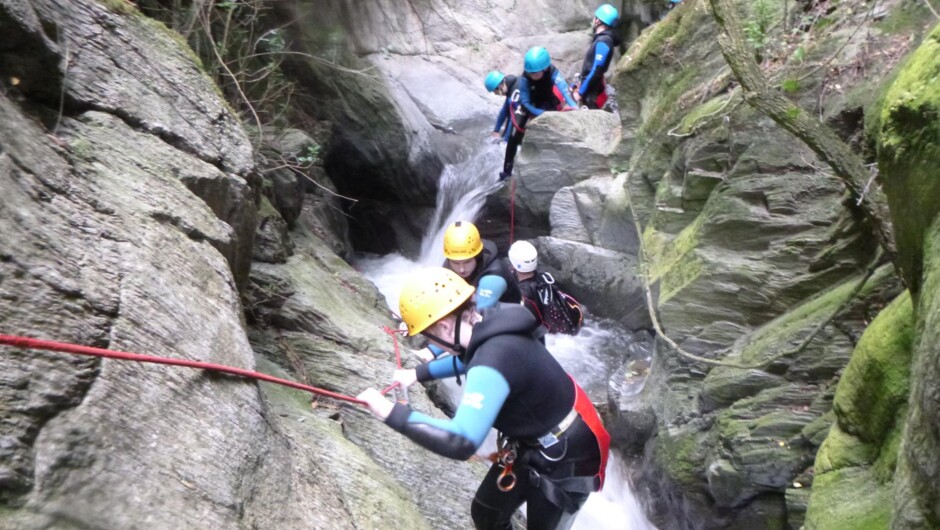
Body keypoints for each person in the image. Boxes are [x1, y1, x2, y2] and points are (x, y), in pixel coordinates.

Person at [357, 267, 610, 530]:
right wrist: (417, 374)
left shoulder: (494, 358)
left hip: (569, 453)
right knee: (486, 513)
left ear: (443, 326)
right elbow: (469, 359)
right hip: (541, 437)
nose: (431, 345)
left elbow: (460, 440)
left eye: (427, 336)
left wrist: (390, 413)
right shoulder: (490, 320)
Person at [500, 47, 578, 181]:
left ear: (545, 68)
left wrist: (575, 108)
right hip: (530, 104)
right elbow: (525, 102)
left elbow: (565, 92)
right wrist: (540, 113)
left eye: (536, 73)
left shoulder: (553, 72)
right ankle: (507, 171)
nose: (533, 76)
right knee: (514, 136)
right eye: (530, 73)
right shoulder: (525, 78)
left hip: (548, 102)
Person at [508, 240, 584, 335]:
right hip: (567, 334)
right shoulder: (546, 278)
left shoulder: (522, 294)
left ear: (513, 264)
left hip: (551, 337)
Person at [443, 221, 521, 310]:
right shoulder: (448, 266)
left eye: (467, 262)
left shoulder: (493, 277)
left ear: (477, 256)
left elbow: (478, 316)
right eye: (456, 263)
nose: (461, 269)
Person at [572, 4, 622, 110]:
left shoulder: (604, 41)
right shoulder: (601, 39)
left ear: (598, 21)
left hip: (592, 91)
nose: (593, 19)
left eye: (595, 17)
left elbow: (596, 70)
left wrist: (580, 93)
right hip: (590, 86)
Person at [484, 70, 521, 144]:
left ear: (500, 87)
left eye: (495, 92)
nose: (495, 94)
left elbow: (514, 120)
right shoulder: (510, 85)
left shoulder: (516, 92)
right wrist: (496, 130)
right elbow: (504, 111)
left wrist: (506, 141)